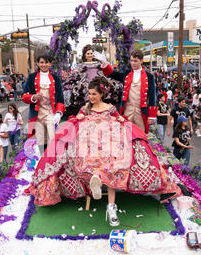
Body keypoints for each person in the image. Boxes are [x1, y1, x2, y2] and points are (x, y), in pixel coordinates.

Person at [28, 76, 180, 226]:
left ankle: (110, 204)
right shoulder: (86, 109)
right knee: (87, 159)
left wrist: (121, 121)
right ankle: (97, 183)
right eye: (89, 94)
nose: (90, 96)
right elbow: (77, 121)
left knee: (113, 164)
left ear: (102, 94)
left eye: (94, 94)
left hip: (110, 141)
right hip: (90, 141)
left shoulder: (111, 108)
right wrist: (78, 119)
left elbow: (120, 120)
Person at [101, 49, 158, 134]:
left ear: (141, 61)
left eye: (135, 61)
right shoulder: (127, 73)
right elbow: (113, 74)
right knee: (126, 134)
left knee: (140, 135)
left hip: (141, 111)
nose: (133, 63)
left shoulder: (149, 76)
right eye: (131, 61)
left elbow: (152, 96)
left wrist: (152, 115)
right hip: (127, 109)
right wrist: (105, 64)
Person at [62, 44, 122, 118]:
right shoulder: (79, 67)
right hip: (85, 93)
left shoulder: (99, 65)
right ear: (84, 55)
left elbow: (108, 74)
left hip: (98, 89)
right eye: (88, 53)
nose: (90, 55)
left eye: (91, 53)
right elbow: (71, 79)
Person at [22, 55, 65, 151]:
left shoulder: (56, 78)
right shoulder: (32, 77)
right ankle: (38, 163)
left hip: (50, 113)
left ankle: (50, 163)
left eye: (46, 62)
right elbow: (24, 96)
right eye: (41, 62)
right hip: (36, 114)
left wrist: (58, 113)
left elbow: (61, 99)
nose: (44, 65)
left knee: (52, 141)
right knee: (37, 143)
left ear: (50, 64)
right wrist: (33, 97)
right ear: (37, 63)